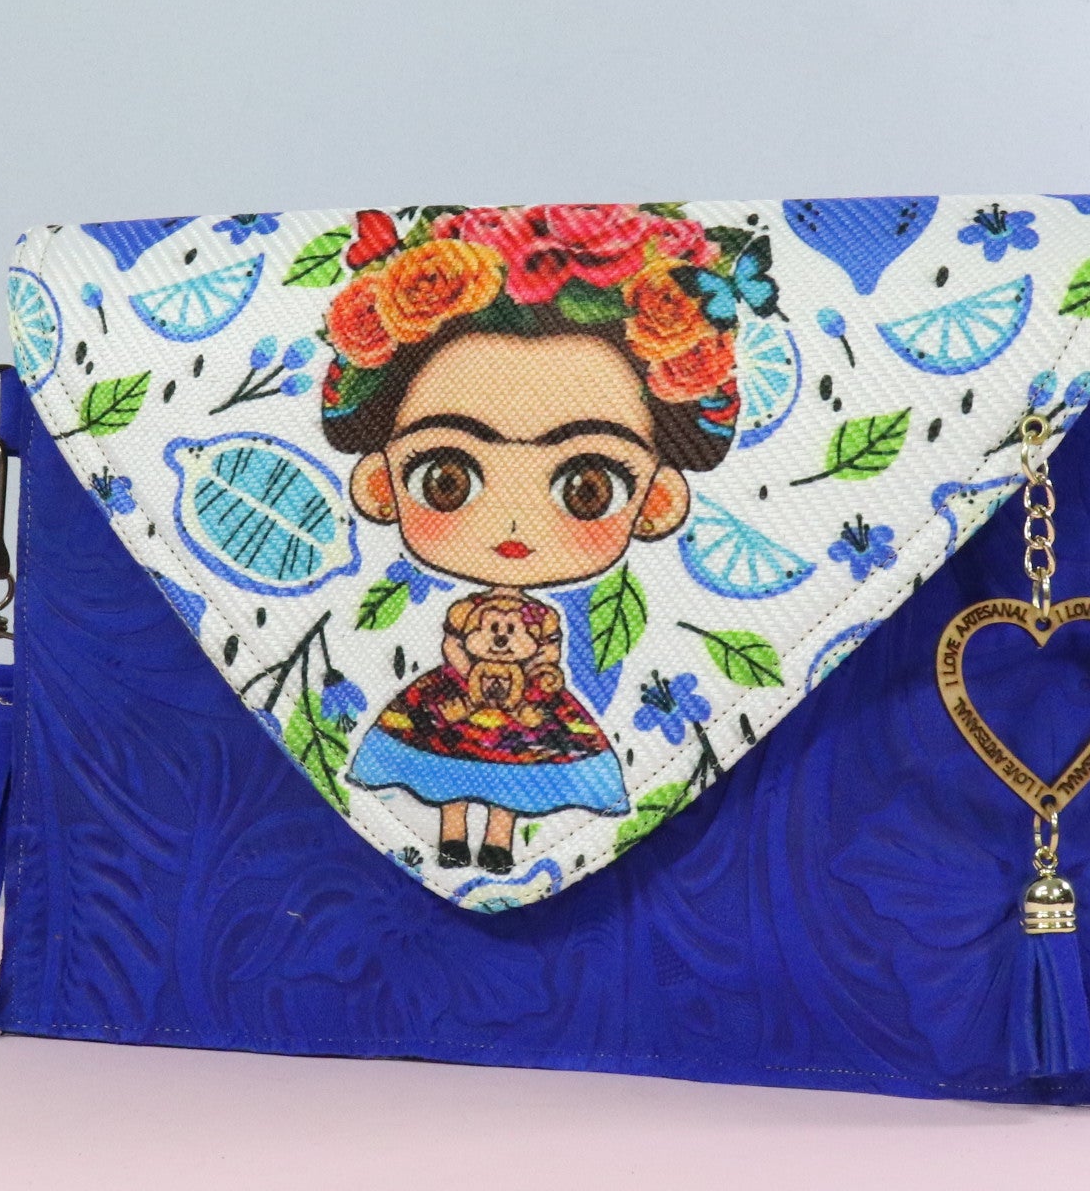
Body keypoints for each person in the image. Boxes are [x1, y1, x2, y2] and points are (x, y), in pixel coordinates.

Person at [319, 203, 769, 874]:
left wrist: (541, 673)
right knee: (456, 772)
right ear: (379, 485)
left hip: (524, 709)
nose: (511, 526)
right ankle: (458, 832)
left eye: (588, 487)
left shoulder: (532, 624)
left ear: (659, 501)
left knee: (508, 781)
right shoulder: (471, 618)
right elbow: (465, 642)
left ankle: (497, 838)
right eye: (446, 479)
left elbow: (551, 649)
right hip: (464, 699)